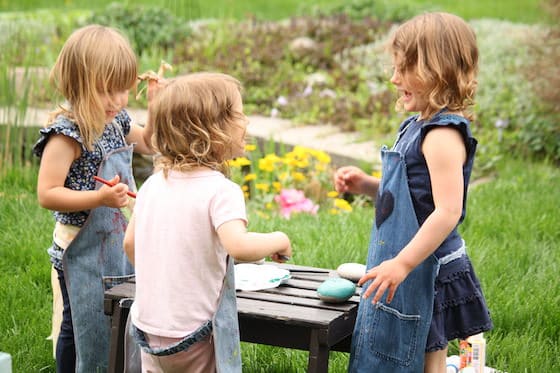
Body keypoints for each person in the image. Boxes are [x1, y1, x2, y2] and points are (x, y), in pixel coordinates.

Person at [333, 12, 493, 373]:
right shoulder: (416, 126)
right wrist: (367, 186)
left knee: (426, 348)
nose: (394, 78)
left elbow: (447, 211)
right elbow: (413, 197)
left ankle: (461, 366)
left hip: (428, 265)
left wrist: (404, 263)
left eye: (404, 69)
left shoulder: (442, 135)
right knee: (412, 342)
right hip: (411, 256)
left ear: (437, 71)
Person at [123, 72, 292, 373]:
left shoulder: (151, 185)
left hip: (147, 326)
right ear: (212, 130)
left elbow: (131, 244)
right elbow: (238, 246)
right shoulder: (221, 190)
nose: (247, 123)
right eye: (239, 115)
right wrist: (279, 238)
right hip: (193, 334)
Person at [33, 24, 156, 373]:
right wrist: (98, 197)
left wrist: (155, 103)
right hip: (80, 249)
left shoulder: (116, 120)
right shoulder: (67, 135)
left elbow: (149, 142)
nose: (117, 100)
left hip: (115, 239)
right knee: (80, 326)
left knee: (116, 315)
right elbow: (47, 194)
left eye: (123, 90)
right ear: (78, 84)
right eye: (106, 91)